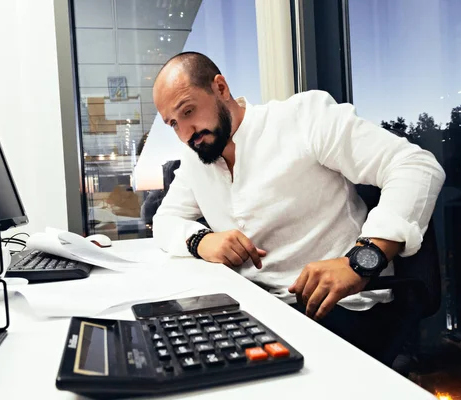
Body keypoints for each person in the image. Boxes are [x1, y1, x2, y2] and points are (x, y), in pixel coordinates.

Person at [151, 51, 445, 361]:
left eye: (188, 111)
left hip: (339, 310)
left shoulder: (302, 119)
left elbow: (417, 165)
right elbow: (165, 220)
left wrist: (360, 261)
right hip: (257, 307)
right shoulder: (198, 159)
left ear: (220, 89)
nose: (185, 133)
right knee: (172, 355)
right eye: (173, 124)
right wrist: (201, 240)